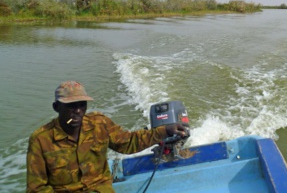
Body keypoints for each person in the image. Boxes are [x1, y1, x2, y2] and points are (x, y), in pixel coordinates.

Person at [26, 81, 189, 192]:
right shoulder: (41, 140)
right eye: (70, 106)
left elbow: (129, 143)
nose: (77, 111)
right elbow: (37, 188)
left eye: (81, 105)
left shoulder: (99, 124)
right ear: (56, 107)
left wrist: (166, 130)